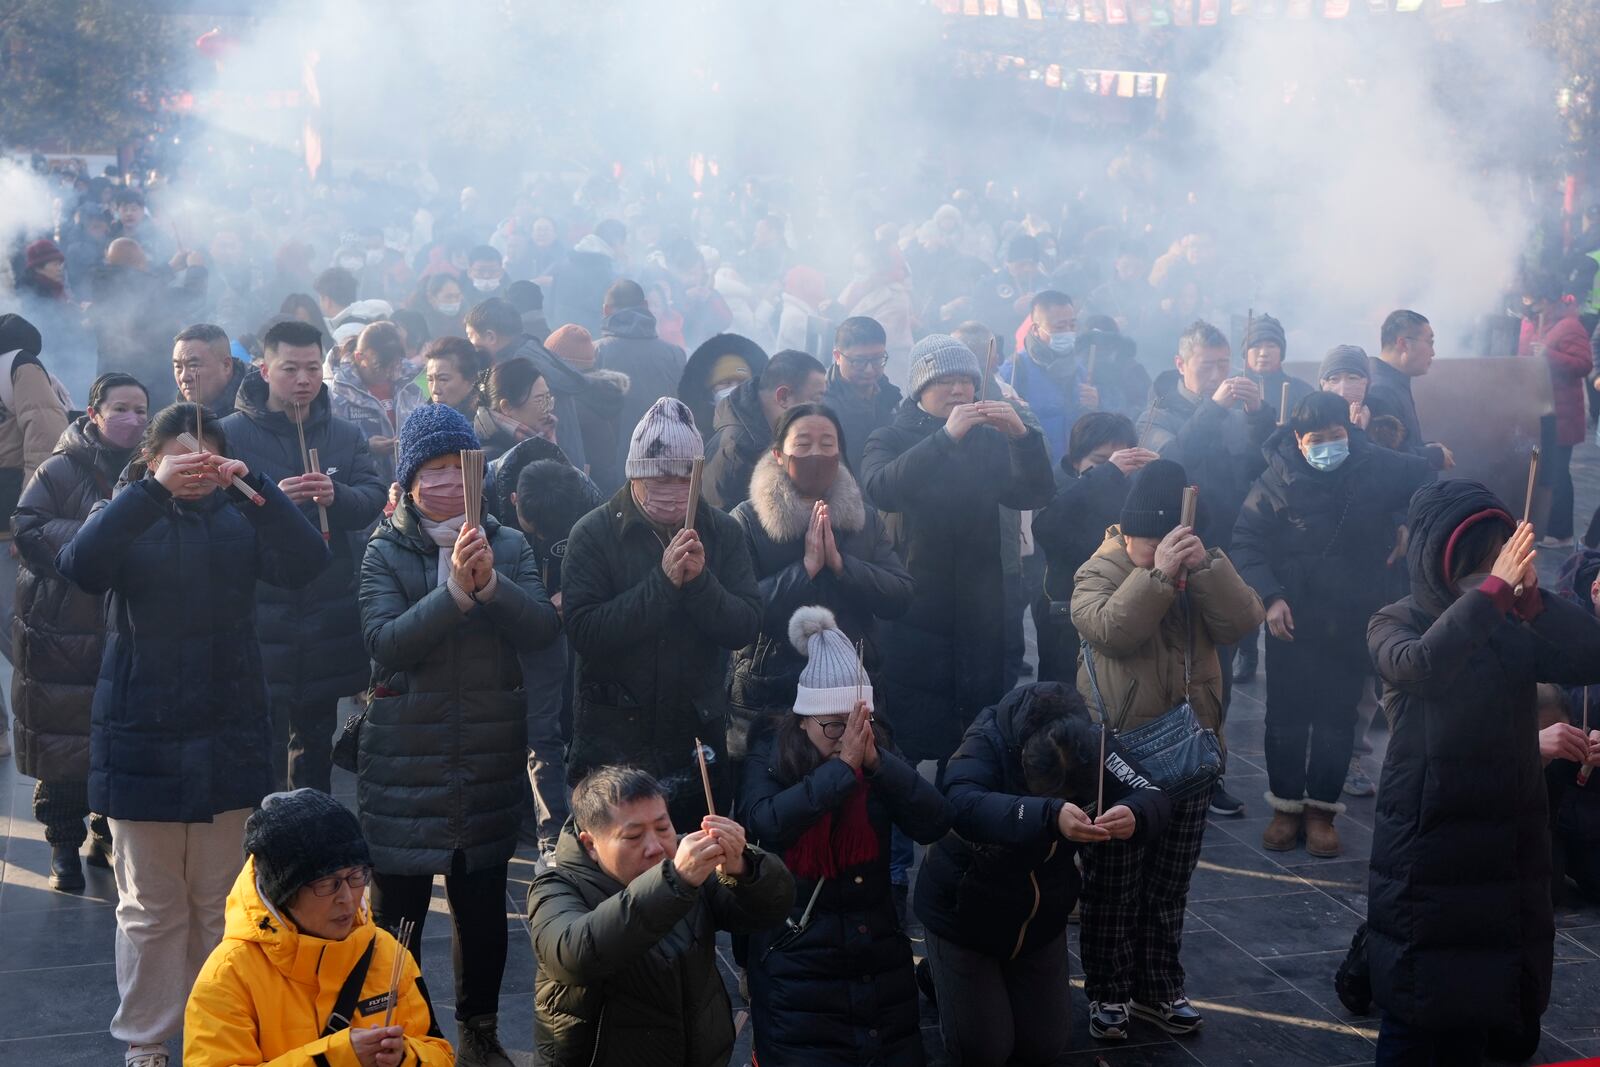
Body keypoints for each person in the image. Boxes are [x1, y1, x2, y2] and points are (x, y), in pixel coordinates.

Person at [57, 404, 330, 1067]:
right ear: (151, 459)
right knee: (149, 905)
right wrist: (151, 492)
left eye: (206, 455)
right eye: (179, 455)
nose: (194, 467)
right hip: (139, 730)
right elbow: (78, 566)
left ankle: (218, 1031)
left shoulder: (239, 515)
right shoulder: (127, 510)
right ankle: (146, 1036)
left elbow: (308, 560)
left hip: (229, 729)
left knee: (220, 902)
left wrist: (254, 482)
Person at [1367, 482, 1600, 1064]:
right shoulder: (1395, 621)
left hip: (1510, 845)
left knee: (1489, 1006)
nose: (1481, 575)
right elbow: (1422, 666)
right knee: (1422, 1008)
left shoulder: (1509, 625)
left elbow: (1590, 655)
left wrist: (1536, 606)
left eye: (1493, 558)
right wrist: (1493, 592)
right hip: (1432, 843)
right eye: (1473, 561)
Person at [358, 402, 561, 1067]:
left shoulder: (509, 543)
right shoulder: (386, 547)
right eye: (433, 470)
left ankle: (478, 1027)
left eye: (458, 467)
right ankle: (402, 1029)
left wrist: (492, 586)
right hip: (404, 755)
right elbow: (385, 640)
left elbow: (539, 626)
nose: (446, 482)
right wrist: (451, 594)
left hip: (486, 746)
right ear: (411, 480)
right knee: (401, 909)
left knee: (480, 903)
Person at [1071, 458, 1264, 1041]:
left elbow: (1241, 621)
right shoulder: (1097, 571)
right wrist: (1155, 577)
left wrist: (1203, 566)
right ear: (1125, 530)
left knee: (1169, 885)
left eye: (1170, 538)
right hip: (1121, 758)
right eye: (1148, 538)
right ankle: (1107, 993)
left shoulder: (1198, 569)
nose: (1160, 548)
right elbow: (1110, 631)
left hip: (1192, 752)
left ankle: (1158, 989)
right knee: (1114, 885)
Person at [915, 682, 1171, 1066]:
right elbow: (961, 803)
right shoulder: (988, 737)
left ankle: (982, 988)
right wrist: (1046, 815)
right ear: (1024, 759)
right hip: (966, 916)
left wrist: (1136, 812)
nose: (1067, 800)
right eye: (1052, 791)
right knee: (985, 1051)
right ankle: (936, 976)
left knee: (1044, 1047)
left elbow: (1152, 789)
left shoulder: (1092, 741)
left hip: (1040, 919)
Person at [741, 607, 951, 1067]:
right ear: (802, 720)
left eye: (858, 724)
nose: (846, 738)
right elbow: (767, 823)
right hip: (798, 950)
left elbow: (933, 821)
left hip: (874, 943)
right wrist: (841, 772)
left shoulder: (877, 749)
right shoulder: (769, 753)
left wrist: (878, 765)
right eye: (833, 727)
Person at [1229, 392, 1431, 857]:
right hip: (1293, 618)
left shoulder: (1374, 464)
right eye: (1317, 440)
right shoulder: (1274, 478)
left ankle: (1321, 809)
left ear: (1349, 430)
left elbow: (1422, 480)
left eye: (1336, 436)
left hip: (1354, 613)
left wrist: (1403, 520)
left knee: (1338, 716)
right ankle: (1286, 806)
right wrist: (1271, 596)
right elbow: (1246, 541)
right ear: (1299, 441)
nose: (1328, 446)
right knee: (1286, 717)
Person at [562, 397, 760, 826]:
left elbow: (744, 626)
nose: (671, 487)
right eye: (658, 476)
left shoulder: (723, 532)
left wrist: (700, 583)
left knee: (694, 863)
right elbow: (584, 630)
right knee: (616, 860)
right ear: (635, 473)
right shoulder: (594, 532)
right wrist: (663, 584)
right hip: (612, 739)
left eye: (682, 476)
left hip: (694, 737)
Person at [860, 334, 1055, 768]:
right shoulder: (889, 435)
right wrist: (946, 438)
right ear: (919, 388)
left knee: (970, 736)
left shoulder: (987, 441)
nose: (957, 390)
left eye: (965, 381)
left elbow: (1035, 491)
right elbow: (882, 488)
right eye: (944, 380)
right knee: (905, 737)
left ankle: (962, 822)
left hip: (978, 604)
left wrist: (1022, 437)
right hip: (913, 605)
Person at [527, 765, 795, 1067]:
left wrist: (745, 868)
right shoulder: (556, 887)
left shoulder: (682, 864)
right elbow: (575, 954)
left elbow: (768, 909)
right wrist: (675, 881)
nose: (655, 847)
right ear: (590, 845)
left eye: (663, 828)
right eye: (633, 836)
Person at [220, 319, 386, 793]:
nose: (303, 379)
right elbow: (215, 512)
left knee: (316, 737)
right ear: (264, 369)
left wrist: (337, 495)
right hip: (260, 603)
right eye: (289, 368)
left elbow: (373, 497)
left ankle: (315, 838)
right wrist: (271, 504)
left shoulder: (345, 434)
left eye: (312, 367)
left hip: (328, 602)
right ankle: (265, 842)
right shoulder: (230, 434)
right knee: (263, 739)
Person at [182, 789, 454, 1067]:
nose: (347, 898)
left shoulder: (388, 954)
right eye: (327, 883)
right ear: (284, 893)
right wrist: (331, 1059)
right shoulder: (228, 976)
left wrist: (405, 1057)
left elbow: (440, 1053)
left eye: (356, 876)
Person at [12, 372, 147, 891]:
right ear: (94, 414)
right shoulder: (59, 468)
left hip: (122, 628)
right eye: (120, 408)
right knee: (64, 748)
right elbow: (28, 529)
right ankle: (62, 846)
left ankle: (103, 835)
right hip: (61, 629)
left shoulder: (148, 469)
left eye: (140, 409)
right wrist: (101, 529)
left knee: (110, 743)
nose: (132, 419)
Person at [1136, 320, 1274, 816]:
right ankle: (1163, 768)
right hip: (1173, 554)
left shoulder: (1236, 413)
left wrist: (1258, 415)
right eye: (1207, 366)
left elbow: (1263, 461)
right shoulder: (1159, 411)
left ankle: (1208, 770)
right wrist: (1214, 409)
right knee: (1173, 666)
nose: (1219, 375)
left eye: (1223, 365)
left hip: (1226, 552)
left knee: (1218, 671)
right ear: (1181, 366)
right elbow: (1168, 463)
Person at [728, 403, 913, 760]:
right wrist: (806, 569)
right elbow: (736, 612)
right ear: (779, 454)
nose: (816, 452)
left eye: (827, 443)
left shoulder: (864, 519)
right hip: (771, 688)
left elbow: (901, 594)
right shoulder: (747, 521)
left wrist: (844, 567)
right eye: (804, 442)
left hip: (853, 683)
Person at [508, 454, 605, 862]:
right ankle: (552, 837)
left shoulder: (587, 502)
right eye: (537, 532)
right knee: (541, 729)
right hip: (523, 628)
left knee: (580, 718)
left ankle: (589, 826)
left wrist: (577, 591)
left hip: (581, 624)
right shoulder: (491, 496)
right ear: (513, 502)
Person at [1032, 413, 1158, 682]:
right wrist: (1106, 475)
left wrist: (1161, 477)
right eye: (1100, 461)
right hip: (1067, 615)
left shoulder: (1134, 487)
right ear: (1076, 461)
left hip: (1125, 609)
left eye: (1122, 459)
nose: (1115, 467)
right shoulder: (1059, 485)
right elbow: (1046, 528)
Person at [465, 297, 590, 468]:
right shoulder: (536, 352)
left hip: (548, 467)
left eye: (471, 336)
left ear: (490, 336)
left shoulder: (516, 368)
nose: (471, 346)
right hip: (566, 461)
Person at [1000, 290, 1119, 464]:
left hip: (1073, 468)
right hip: (1034, 468)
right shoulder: (1015, 371)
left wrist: (1096, 405)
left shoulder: (1080, 370)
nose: (1068, 332)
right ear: (1035, 328)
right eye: (1059, 327)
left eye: (1072, 325)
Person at [1518, 274, 1593, 549]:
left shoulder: (1569, 326)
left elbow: (1583, 364)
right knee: (1545, 469)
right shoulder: (1534, 323)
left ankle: (1561, 532)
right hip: (1539, 409)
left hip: (1563, 412)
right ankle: (1544, 524)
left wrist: (1549, 357)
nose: (1532, 308)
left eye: (1536, 302)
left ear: (1548, 301)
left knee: (1559, 472)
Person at [702, 349, 828, 510]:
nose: (821, 410)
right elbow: (725, 528)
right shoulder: (736, 452)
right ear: (783, 397)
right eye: (816, 399)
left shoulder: (775, 434)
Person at [594, 280, 688, 474]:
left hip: (613, 468)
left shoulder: (596, 352)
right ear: (645, 306)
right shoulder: (675, 354)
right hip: (666, 464)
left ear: (606, 310)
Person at [329, 321, 426, 484]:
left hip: (414, 483)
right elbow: (331, 446)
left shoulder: (413, 380)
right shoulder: (337, 392)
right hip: (364, 485)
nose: (389, 371)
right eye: (380, 366)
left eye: (394, 364)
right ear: (360, 357)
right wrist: (366, 446)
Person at [1365, 309, 1454, 472]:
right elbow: (1386, 458)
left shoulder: (1393, 381)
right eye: (1430, 343)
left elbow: (1401, 443)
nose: (1433, 352)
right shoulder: (1380, 390)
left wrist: (1427, 448)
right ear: (1403, 344)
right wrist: (1434, 456)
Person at [824, 316, 901, 475]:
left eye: (877, 359)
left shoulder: (889, 395)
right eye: (859, 361)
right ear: (837, 356)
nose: (869, 370)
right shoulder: (824, 406)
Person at [677, 332, 768, 439]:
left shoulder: (767, 430)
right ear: (711, 391)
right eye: (726, 382)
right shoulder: (694, 438)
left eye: (742, 382)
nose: (736, 389)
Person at [546, 218, 626, 336]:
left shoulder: (565, 262)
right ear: (617, 242)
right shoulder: (606, 272)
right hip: (589, 343)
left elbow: (550, 305)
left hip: (559, 338)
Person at [476, 356, 558, 462]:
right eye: (539, 400)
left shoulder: (544, 439)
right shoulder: (492, 458)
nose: (548, 408)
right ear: (507, 407)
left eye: (548, 398)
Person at [1241, 313, 1314, 420]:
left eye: (1271, 346)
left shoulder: (1303, 393)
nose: (1263, 353)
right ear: (1245, 353)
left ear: (1281, 352)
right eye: (1256, 346)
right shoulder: (1232, 390)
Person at [172, 322, 253, 416]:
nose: (184, 377)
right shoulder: (173, 424)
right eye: (178, 366)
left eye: (193, 365)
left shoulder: (262, 410)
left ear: (226, 366)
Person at [422, 335, 484, 420]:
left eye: (443, 379)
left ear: (470, 380)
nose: (435, 390)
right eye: (430, 380)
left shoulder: (485, 426)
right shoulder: (423, 421)